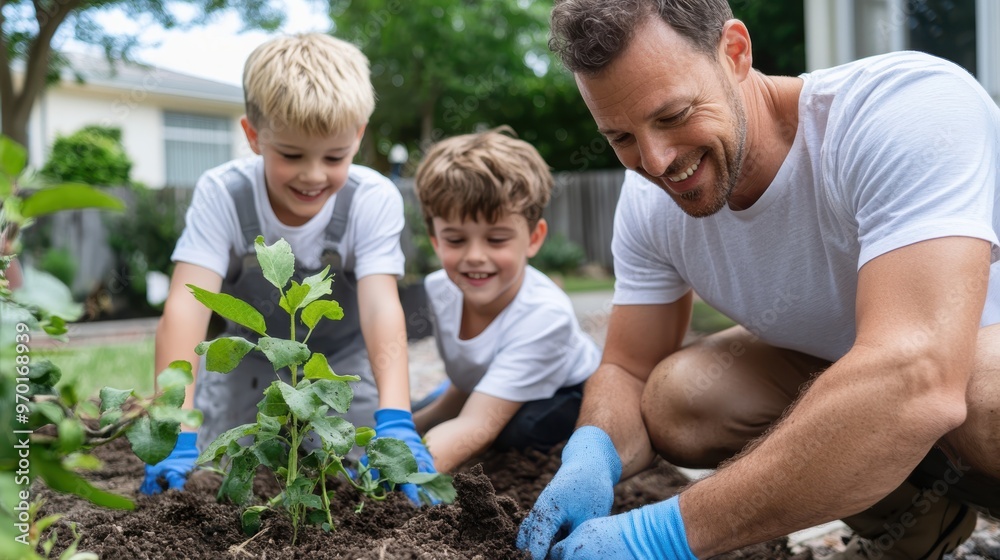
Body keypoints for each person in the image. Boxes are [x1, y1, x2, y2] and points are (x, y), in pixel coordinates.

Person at [517, 1, 1000, 558]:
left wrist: (666, 535)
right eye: (620, 137)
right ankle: (917, 527)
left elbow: (917, 374)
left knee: (981, 396)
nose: (655, 161)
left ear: (735, 52)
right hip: (895, 389)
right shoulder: (649, 203)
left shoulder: (903, 109)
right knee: (683, 398)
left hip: (956, 378)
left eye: (673, 116)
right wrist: (590, 454)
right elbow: (627, 368)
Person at [141, 33, 435, 503]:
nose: (313, 175)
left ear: (358, 134)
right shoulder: (224, 194)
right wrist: (173, 425)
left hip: (339, 369)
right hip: (249, 364)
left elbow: (382, 308)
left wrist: (397, 419)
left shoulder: (371, 199)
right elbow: (185, 309)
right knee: (225, 474)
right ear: (253, 136)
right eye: (292, 155)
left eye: (335, 157)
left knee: (355, 476)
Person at [410, 127, 602, 473]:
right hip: (497, 387)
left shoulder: (545, 316)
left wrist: (400, 472)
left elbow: (476, 426)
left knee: (517, 432)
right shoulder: (440, 289)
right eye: (455, 240)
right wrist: (409, 426)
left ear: (533, 238)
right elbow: (467, 381)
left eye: (496, 239)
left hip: (571, 394)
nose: (475, 256)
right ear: (435, 240)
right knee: (419, 411)